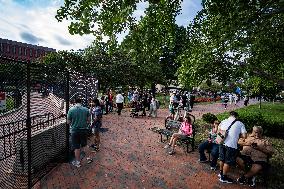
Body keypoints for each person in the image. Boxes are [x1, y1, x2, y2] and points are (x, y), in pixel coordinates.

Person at [218, 111, 247, 183]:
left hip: (222, 142)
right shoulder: (240, 123)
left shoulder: (224, 121)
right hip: (231, 145)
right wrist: (237, 134)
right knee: (228, 161)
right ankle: (223, 177)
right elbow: (244, 136)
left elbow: (218, 130)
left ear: (230, 115)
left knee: (222, 159)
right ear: (236, 116)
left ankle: (221, 173)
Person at [67, 98, 91, 168]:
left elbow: (68, 122)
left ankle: (77, 162)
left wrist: (73, 123)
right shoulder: (86, 109)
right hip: (83, 130)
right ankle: (89, 158)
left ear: (75, 102)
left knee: (76, 147)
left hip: (74, 131)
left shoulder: (71, 110)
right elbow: (89, 121)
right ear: (81, 102)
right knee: (85, 145)